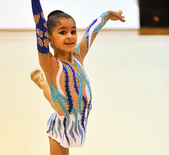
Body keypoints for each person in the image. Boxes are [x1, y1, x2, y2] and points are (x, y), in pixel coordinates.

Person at [31, 0, 125, 154]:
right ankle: (42, 82)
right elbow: (40, 28)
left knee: (54, 99)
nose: (69, 36)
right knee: (55, 100)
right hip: (62, 126)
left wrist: (107, 15)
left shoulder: (78, 55)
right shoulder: (51, 64)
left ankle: (42, 82)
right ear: (50, 39)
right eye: (62, 32)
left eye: (73, 31)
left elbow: (91, 31)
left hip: (76, 118)